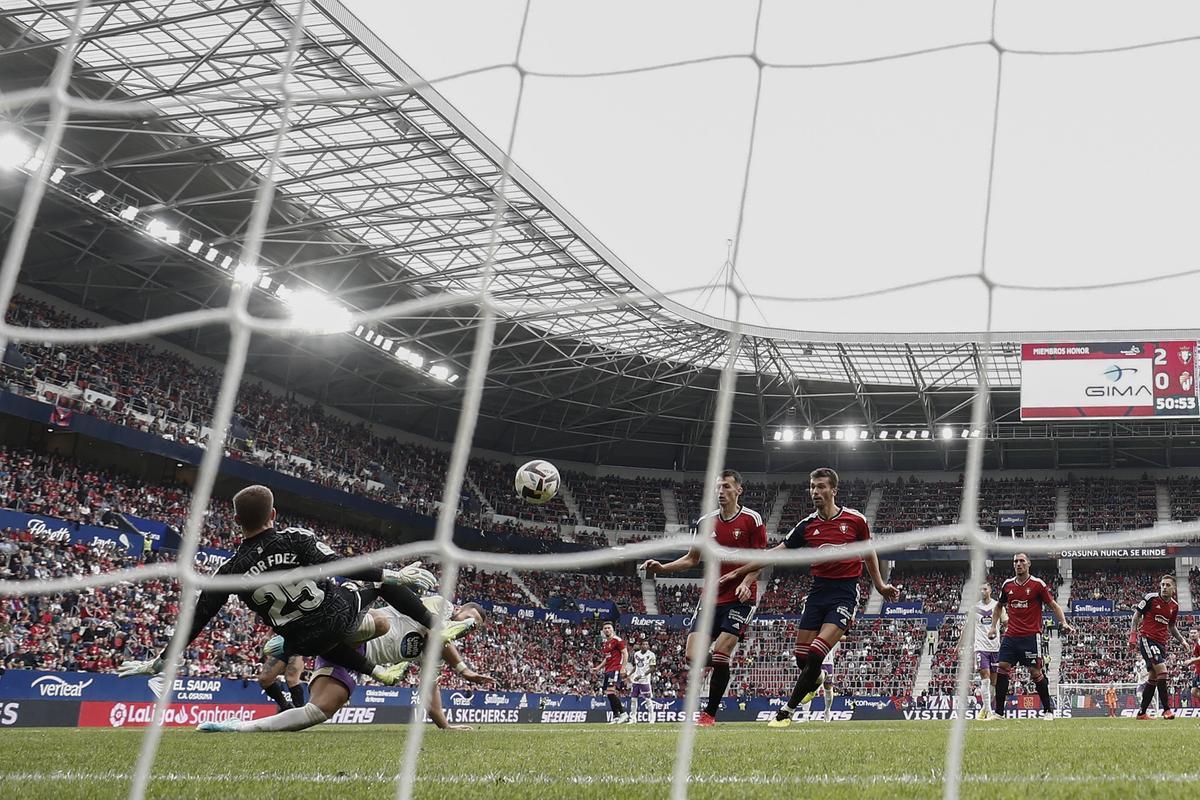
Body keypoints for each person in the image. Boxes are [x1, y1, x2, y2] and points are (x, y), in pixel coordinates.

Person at [117, 485, 471, 687]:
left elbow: (197, 619)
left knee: (312, 636)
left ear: (237, 522)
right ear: (273, 515)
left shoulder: (228, 571)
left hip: (301, 641)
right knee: (367, 594)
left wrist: (162, 660)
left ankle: (378, 672)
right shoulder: (294, 539)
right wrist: (395, 575)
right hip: (336, 612)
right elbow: (343, 567)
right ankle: (436, 625)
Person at [722, 467, 897, 728]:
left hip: (844, 594)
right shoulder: (807, 525)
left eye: (821, 486)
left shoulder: (855, 520)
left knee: (816, 652)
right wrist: (739, 571)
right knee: (801, 658)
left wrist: (880, 585)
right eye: (812, 487)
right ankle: (813, 682)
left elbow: (868, 552)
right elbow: (775, 553)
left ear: (833, 490)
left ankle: (787, 710)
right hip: (817, 593)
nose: (815, 491)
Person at [200, 597, 495, 732]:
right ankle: (299, 638)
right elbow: (436, 631)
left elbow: (430, 690)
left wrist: (445, 726)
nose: (470, 627)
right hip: (358, 628)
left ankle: (239, 728)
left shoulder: (434, 654)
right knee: (375, 624)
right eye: (469, 621)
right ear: (458, 611)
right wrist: (463, 668)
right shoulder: (439, 604)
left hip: (349, 657)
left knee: (318, 712)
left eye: (475, 627)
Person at [640, 469, 767, 726]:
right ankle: (724, 660)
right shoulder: (704, 522)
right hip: (711, 598)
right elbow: (692, 558)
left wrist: (745, 582)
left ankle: (709, 714)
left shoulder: (752, 519)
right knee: (691, 657)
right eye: (718, 487)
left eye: (726, 487)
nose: (721, 491)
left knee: (719, 654)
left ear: (738, 490)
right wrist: (662, 569)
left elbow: (762, 559)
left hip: (741, 598)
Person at [987, 552, 1073, 720]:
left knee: (1035, 672)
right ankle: (998, 713)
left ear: (1028, 564)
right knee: (1002, 667)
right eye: (1015, 561)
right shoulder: (1007, 585)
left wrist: (1063, 622)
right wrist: (992, 627)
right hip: (1011, 635)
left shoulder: (1037, 585)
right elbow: (998, 607)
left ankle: (1048, 711)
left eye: (1021, 561)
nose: (1018, 564)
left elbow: (1053, 605)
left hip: (1031, 637)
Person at [1131, 573, 1185, 720]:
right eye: (1162, 585)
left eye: (1168, 585)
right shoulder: (1151, 598)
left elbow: (1172, 626)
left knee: (1153, 677)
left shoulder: (1174, 606)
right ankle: (1166, 710)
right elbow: (1136, 616)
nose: (1164, 587)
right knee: (1163, 671)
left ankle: (1142, 713)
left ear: (1174, 588)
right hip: (1147, 639)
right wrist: (1133, 636)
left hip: (1161, 643)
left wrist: (1182, 641)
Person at [973, 584, 1004, 721]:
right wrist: (959, 644)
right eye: (981, 589)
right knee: (984, 679)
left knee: (993, 682)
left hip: (995, 648)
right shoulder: (975, 608)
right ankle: (990, 712)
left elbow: (1006, 622)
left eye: (985, 589)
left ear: (990, 591)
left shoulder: (997, 606)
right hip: (980, 647)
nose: (982, 591)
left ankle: (984, 709)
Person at [596, 622, 629, 724]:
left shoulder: (617, 640)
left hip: (615, 669)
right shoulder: (606, 643)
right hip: (608, 670)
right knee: (608, 694)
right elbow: (607, 658)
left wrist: (623, 668)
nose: (607, 630)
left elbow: (625, 653)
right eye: (605, 628)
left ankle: (623, 714)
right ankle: (616, 716)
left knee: (611, 692)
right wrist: (598, 667)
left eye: (609, 628)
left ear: (612, 629)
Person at [628, 639, 657, 724]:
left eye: (646, 644)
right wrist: (629, 674)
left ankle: (652, 718)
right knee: (633, 699)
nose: (645, 646)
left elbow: (653, 668)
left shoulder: (651, 655)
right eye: (643, 644)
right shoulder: (636, 654)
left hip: (645, 681)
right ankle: (633, 719)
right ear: (640, 645)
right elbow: (636, 666)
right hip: (636, 681)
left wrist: (642, 675)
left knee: (648, 700)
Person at [1185, 630, 1200, 708]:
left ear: (1198, 634)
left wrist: (1191, 661)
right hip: (1198, 671)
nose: (1193, 634)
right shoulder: (1195, 644)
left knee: (1194, 691)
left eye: (1195, 633)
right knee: (1194, 691)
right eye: (1191, 633)